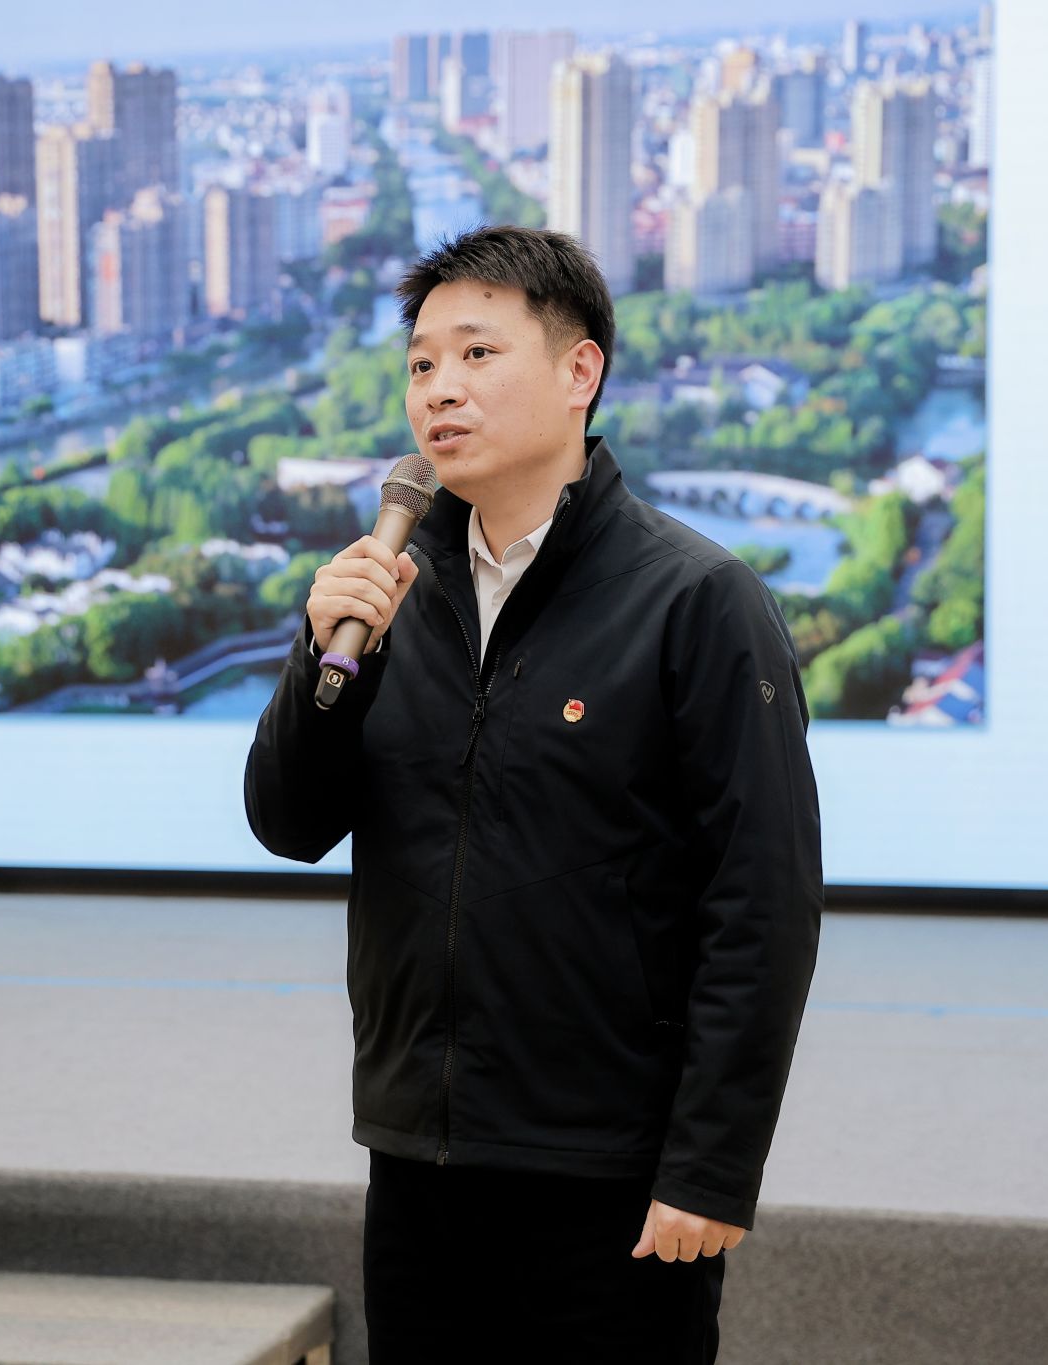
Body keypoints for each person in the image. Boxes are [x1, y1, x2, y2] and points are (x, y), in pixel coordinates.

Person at [244, 225, 822, 1363]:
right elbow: (288, 821)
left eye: (475, 354)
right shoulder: (390, 594)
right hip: (417, 1158)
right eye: (420, 364)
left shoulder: (695, 601)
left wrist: (710, 1167)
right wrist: (322, 658)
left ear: (578, 371)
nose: (438, 389)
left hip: (609, 1178)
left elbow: (760, 902)